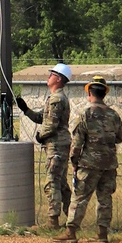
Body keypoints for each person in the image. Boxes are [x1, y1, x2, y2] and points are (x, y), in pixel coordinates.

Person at [61, 76, 122, 242]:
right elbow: (120, 137)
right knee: (105, 198)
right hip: (109, 164)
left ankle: (71, 232)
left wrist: (74, 162)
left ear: (90, 92)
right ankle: (102, 234)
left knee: (80, 197)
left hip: (89, 164)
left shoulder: (85, 114)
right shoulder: (113, 115)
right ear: (104, 94)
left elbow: (77, 143)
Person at [16, 62, 73, 230]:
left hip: (56, 145)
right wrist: (26, 110)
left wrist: (41, 136)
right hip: (59, 144)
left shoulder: (56, 98)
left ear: (58, 79)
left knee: (52, 182)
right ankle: (72, 218)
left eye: (51, 75)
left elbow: (52, 124)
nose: (48, 77)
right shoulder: (55, 98)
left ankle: (53, 221)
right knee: (61, 182)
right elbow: (44, 118)